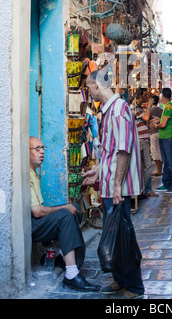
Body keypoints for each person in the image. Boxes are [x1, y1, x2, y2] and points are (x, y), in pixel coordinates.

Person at [82, 70, 144, 299]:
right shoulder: (110, 110)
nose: (89, 91)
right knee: (115, 234)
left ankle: (135, 287)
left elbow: (123, 150)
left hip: (117, 188)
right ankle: (120, 281)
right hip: (109, 184)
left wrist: (117, 185)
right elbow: (111, 152)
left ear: (97, 84)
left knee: (124, 236)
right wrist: (98, 171)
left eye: (89, 87)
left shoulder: (117, 111)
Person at [29, 137, 98, 292]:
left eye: (42, 147)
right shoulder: (27, 175)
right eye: (37, 149)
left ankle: (57, 256)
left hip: (36, 220)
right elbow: (37, 212)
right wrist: (64, 208)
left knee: (72, 207)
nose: (42, 152)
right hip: (31, 226)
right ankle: (72, 274)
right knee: (66, 215)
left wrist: (67, 207)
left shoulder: (34, 172)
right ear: (26, 153)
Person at [153, 88, 172, 194]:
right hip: (164, 137)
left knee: (170, 162)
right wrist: (159, 120)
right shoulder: (167, 107)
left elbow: (163, 125)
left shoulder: (168, 107)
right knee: (166, 162)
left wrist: (156, 125)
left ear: (162, 95)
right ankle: (166, 184)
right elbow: (165, 121)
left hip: (168, 137)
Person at [134, 89, 158, 198]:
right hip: (141, 139)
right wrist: (149, 105)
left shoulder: (139, 108)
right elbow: (146, 117)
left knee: (144, 165)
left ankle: (144, 189)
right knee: (147, 165)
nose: (146, 97)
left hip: (143, 138)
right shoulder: (136, 108)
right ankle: (147, 190)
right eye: (144, 95)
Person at [143, 94, 163, 176]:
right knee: (160, 152)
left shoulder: (150, 110)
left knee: (155, 152)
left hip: (153, 132)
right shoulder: (161, 110)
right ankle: (160, 169)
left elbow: (146, 119)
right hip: (161, 132)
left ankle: (158, 170)